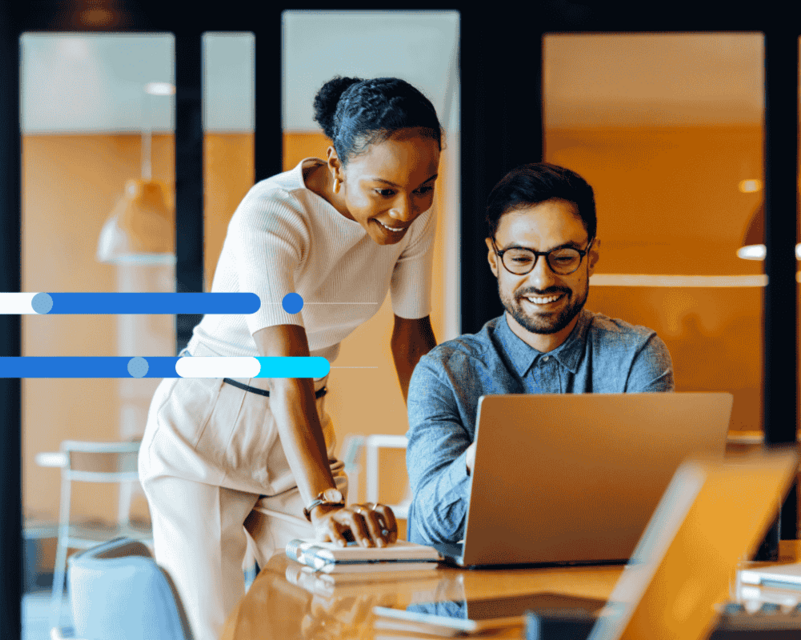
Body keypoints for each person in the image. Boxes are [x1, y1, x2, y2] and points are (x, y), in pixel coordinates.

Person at [139, 76, 442, 640]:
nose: (406, 209)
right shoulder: (273, 213)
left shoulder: (413, 213)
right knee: (215, 630)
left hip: (300, 427)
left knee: (337, 612)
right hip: (208, 429)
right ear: (336, 165)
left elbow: (412, 342)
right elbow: (285, 367)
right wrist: (324, 501)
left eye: (424, 187)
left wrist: (442, 455)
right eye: (384, 191)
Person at [405, 162, 674, 547]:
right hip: (476, 586)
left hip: (600, 582)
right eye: (520, 258)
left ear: (591, 257)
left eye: (563, 257)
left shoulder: (635, 357)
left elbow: (657, 510)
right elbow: (433, 524)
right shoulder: (443, 373)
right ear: (494, 260)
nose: (542, 279)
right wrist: (486, 456)